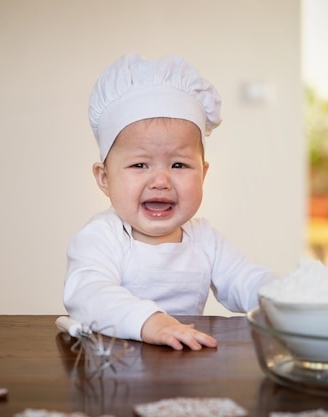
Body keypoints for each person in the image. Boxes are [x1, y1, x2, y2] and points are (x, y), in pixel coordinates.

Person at [63, 54, 278, 351]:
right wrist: (151, 322)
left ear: (202, 174)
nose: (161, 181)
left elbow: (246, 280)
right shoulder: (102, 238)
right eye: (140, 165)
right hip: (116, 375)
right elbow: (89, 294)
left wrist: (288, 299)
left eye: (178, 165)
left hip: (182, 370)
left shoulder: (205, 240)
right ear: (104, 178)